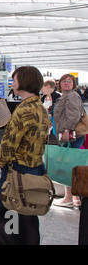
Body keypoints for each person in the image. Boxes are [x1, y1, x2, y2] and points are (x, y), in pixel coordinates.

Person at [0, 66, 49, 245]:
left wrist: (0, 161)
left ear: (23, 82)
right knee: (27, 215)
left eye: (14, 80)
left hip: (18, 169)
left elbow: (9, 143)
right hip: (36, 167)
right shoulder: (40, 107)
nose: (12, 83)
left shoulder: (23, 111)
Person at [52, 74, 85, 208]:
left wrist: (66, 130)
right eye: (63, 81)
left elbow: (74, 115)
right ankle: (73, 197)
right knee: (70, 165)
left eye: (69, 81)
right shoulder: (65, 97)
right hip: (71, 136)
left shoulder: (71, 96)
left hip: (70, 136)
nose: (66, 83)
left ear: (73, 84)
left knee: (68, 166)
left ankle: (69, 198)